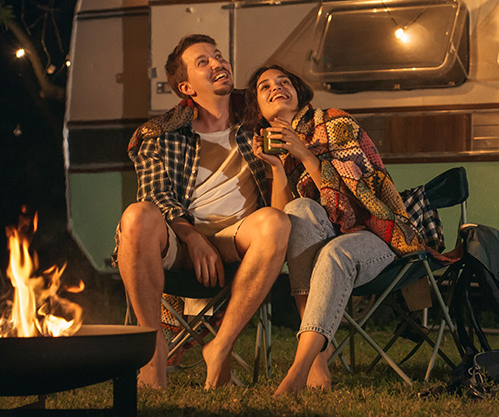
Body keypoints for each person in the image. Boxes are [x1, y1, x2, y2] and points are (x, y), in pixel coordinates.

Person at [243, 65, 431, 396]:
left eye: (285, 81)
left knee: (333, 250)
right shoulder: (272, 149)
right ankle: (317, 360)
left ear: (298, 92)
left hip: (375, 233)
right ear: (258, 107)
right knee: (298, 211)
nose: (276, 88)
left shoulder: (334, 123)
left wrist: (303, 152)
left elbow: (357, 200)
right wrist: (278, 168)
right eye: (265, 87)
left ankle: (300, 369)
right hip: (322, 249)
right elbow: (283, 218)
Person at [115, 35, 289, 390]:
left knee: (276, 221)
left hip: (236, 240)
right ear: (185, 87)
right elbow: (156, 195)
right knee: (137, 216)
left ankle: (220, 347)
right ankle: (152, 346)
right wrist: (192, 237)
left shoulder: (257, 123)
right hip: (182, 241)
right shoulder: (161, 134)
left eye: (219, 56)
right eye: (203, 62)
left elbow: (299, 108)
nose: (218, 64)